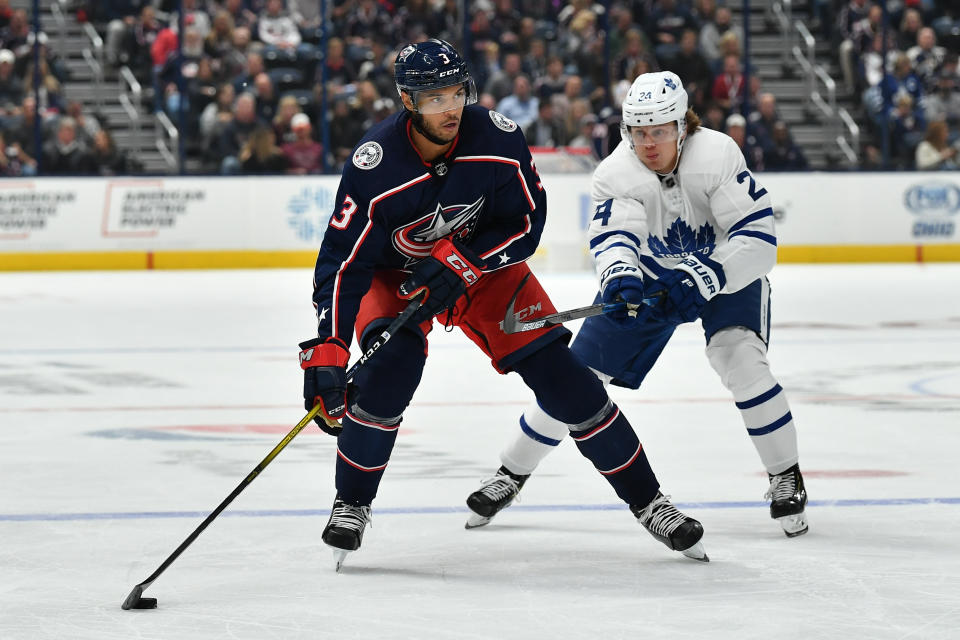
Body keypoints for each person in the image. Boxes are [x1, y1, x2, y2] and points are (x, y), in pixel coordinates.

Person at [298, 39, 708, 570]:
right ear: (406, 100)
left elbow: (526, 222)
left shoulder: (495, 138)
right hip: (395, 278)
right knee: (387, 374)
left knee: (567, 382)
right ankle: (351, 503)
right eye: (432, 97)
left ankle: (650, 502)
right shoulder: (373, 165)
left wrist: (462, 262)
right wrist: (329, 347)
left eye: (455, 93)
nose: (449, 108)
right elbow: (343, 263)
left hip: (484, 270)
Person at [466, 71, 809, 540]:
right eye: (638, 132)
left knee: (740, 357)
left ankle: (785, 474)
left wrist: (707, 275)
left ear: (682, 126)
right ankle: (511, 472)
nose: (648, 143)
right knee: (576, 380)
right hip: (652, 278)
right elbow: (615, 238)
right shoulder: (615, 171)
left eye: (660, 131)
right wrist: (621, 277)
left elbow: (759, 241)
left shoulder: (717, 154)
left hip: (726, 269)